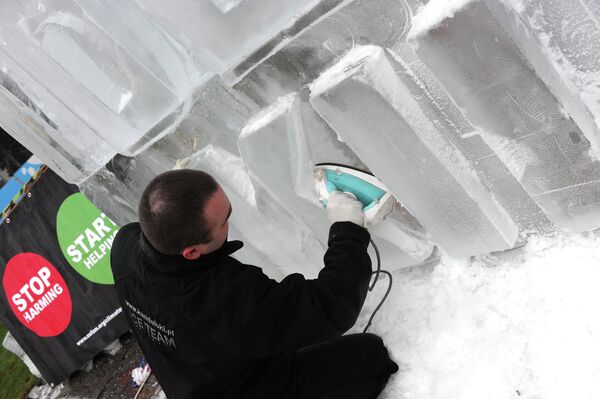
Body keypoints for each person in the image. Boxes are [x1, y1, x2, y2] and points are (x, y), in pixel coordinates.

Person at [110, 169, 398, 398]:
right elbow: (332, 306)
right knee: (369, 359)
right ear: (192, 252)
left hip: (199, 376)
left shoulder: (125, 247)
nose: (231, 223)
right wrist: (347, 230)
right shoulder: (221, 302)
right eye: (225, 221)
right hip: (245, 390)